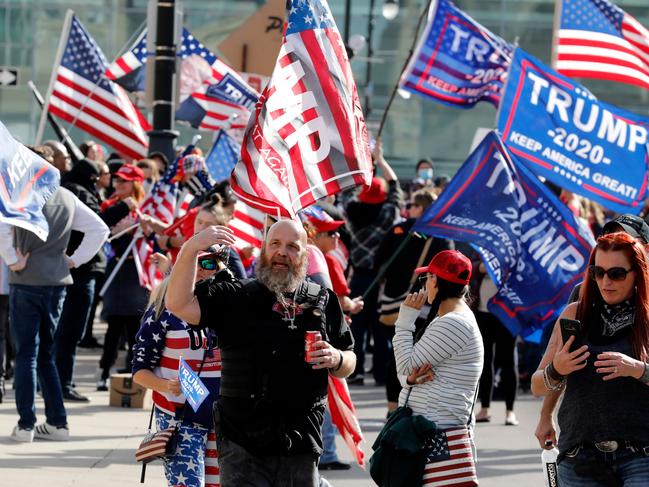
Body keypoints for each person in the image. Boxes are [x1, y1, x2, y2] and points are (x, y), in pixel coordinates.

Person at [166, 220, 355, 486]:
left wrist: (337, 358)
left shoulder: (322, 300)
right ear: (264, 249)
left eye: (292, 246)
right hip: (242, 441)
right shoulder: (236, 295)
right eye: (275, 244)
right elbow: (178, 303)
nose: (282, 252)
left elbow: (349, 357)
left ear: (304, 255)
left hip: (301, 439)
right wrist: (191, 248)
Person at [531, 232, 649, 485]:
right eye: (598, 272)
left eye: (616, 273)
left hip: (640, 454)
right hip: (580, 455)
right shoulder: (575, 313)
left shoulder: (647, 317)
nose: (605, 281)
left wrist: (638, 369)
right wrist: (557, 369)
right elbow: (537, 385)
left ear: (637, 273)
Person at [0, 187, 108, 442]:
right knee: (46, 353)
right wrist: (73, 260)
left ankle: (26, 424)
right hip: (56, 279)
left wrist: (12, 259)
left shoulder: (19, 193)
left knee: (27, 353)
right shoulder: (65, 196)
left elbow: (3, 227)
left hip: (26, 279)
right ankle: (57, 422)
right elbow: (99, 229)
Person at [133, 250, 228, 487]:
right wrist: (167, 386)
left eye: (211, 263)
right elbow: (139, 372)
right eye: (196, 262)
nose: (204, 269)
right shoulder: (163, 314)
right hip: (180, 416)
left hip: (223, 416)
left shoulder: (227, 309)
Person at [393, 250, 483, 483]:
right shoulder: (451, 319)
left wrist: (404, 321)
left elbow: (404, 366)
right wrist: (411, 381)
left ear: (436, 280)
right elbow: (407, 375)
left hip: (439, 436)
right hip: (433, 433)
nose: (424, 285)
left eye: (427, 278)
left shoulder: (453, 322)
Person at [375, 188, 453, 413]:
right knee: (422, 357)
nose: (408, 210)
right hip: (425, 304)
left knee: (396, 355)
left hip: (394, 301)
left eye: (412, 206)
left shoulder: (398, 230)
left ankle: (392, 407)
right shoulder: (440, 236)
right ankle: (415, 405)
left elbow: (378, 259)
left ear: (422, 208)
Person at [343, 139, 401, 385]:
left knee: (357, 325)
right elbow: (396, 188)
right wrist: (381, 160)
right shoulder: (387, 215)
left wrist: (364, 164)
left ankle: (355, 371)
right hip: (380, 278)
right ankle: (380, 372)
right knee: (380, 327)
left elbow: (348, 191)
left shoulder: (352, 213)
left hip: (358, 276)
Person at [96, 164, 148, 391]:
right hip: (116, 268)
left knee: (135, 325)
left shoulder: (147, 207)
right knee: (114, 325)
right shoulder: (109, 206)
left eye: (125, 181)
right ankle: (104, 372)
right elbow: (102, 229)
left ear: (135, 183)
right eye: (117, 180)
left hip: (137, 270)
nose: (119, 185)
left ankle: (133, 371)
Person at [473, 260, 520, 426]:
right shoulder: (484, 243)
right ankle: (485, 408)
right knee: (484, 361)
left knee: (508, 361)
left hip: (507, 313)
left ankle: (510, 411)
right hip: (483, 312)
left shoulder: (514, 249)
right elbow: (470, 266)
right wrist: (480, 267)